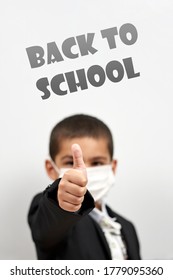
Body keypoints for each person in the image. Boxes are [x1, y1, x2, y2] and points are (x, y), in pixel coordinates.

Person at [28, 114, 141, 260]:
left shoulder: (127, 227)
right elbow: (47, 225)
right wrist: (60, 202)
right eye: (70, 163)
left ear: (112, 167)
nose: (84, 175)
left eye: (97, 163)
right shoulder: (53, 213)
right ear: (51, 168)